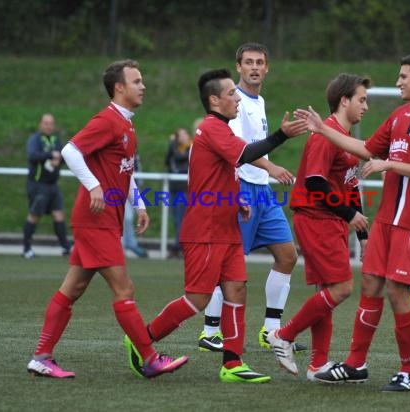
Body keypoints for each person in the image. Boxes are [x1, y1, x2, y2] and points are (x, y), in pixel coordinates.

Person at [124, 68, 308, 383]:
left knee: (237, 289)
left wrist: (237, 201)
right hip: (206, 231)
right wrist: (281, 135)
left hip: (226, 227)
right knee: (196, 298)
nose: (237, 98)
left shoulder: (220, 130)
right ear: (214, 100)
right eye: (231, 94)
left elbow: (214, 175)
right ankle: (141, 340)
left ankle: (233, 364)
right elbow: (247, 154)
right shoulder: (212, 128)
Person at [295, 52, 410, 392]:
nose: (398, 82)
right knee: (369, 285)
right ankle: (355, 364)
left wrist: (390, 165)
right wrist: (323, 129)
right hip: (385, 219)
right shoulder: (398, 116)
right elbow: (365, 148)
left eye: (403, 76)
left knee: (397, 292)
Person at [26, 59, 188, 379]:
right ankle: (149, 357)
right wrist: (94, 185)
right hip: (94, 219)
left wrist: (139, 204)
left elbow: (126, 171)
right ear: (119, 87)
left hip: (103, 220)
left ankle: (41, 357)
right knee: (124, 288)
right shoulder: (107, 121)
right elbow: (72, 151)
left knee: (72, 289)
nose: (143, 86)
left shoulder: (126, 124)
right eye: (137, 81)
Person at [197, 42, 307, 353]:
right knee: (228, 265)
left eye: (260, 62)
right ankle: (210, 331)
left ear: (267, 68)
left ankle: (271, 330)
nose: (255, 67)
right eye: (249, 62)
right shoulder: (235, 102)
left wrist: (268, 171)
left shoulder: (258, 101)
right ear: (239, 67)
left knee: (287, 255)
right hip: (242, 187)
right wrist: (271, 165)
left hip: (264, 192)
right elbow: (238, 148)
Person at [265, 73, 370, 380]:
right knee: (342, 288)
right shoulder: (325, 134)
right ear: (344, 100)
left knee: (327, 291)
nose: (366, 106)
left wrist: (362, 234)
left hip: (331, 220)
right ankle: (283, 335)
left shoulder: (343, 137)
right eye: (362, 99)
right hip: (316, 219)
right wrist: (350, 215)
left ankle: (318, 365)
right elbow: (314, 182)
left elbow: (350, 187)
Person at [23, 113, 71, 259]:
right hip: (38, 185)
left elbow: (63, 155)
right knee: (34, 215)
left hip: (53, 185)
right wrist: (51, 155)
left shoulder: (56, 140)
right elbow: (32, 155)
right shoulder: (35, 139)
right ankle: (26, 248)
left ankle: (66, 247)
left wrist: (59, 160)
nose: (48, 126)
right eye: (46, 123)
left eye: (51, 123)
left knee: (59, 214)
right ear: (40, 124)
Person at [165, 127, 192, 258]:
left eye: (184, 134)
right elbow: (168, 160)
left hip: (184, 190)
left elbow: (180, 157)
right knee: (176, 220)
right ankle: (179, 246)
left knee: (181, 219)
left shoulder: (190, 148)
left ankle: (178, 246)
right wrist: (173, 145)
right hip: (173, 189)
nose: (183, 137)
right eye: (180, 135)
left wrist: (173, 144)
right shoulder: (175, 147)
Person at [122, 152, 148, 258]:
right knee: (126, 217)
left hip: (129, 190)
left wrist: (140, 207)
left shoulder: (133, 153)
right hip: (116, 191)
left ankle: (129, 244)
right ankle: (126, 245)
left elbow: (129, 176)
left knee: (128, 217)